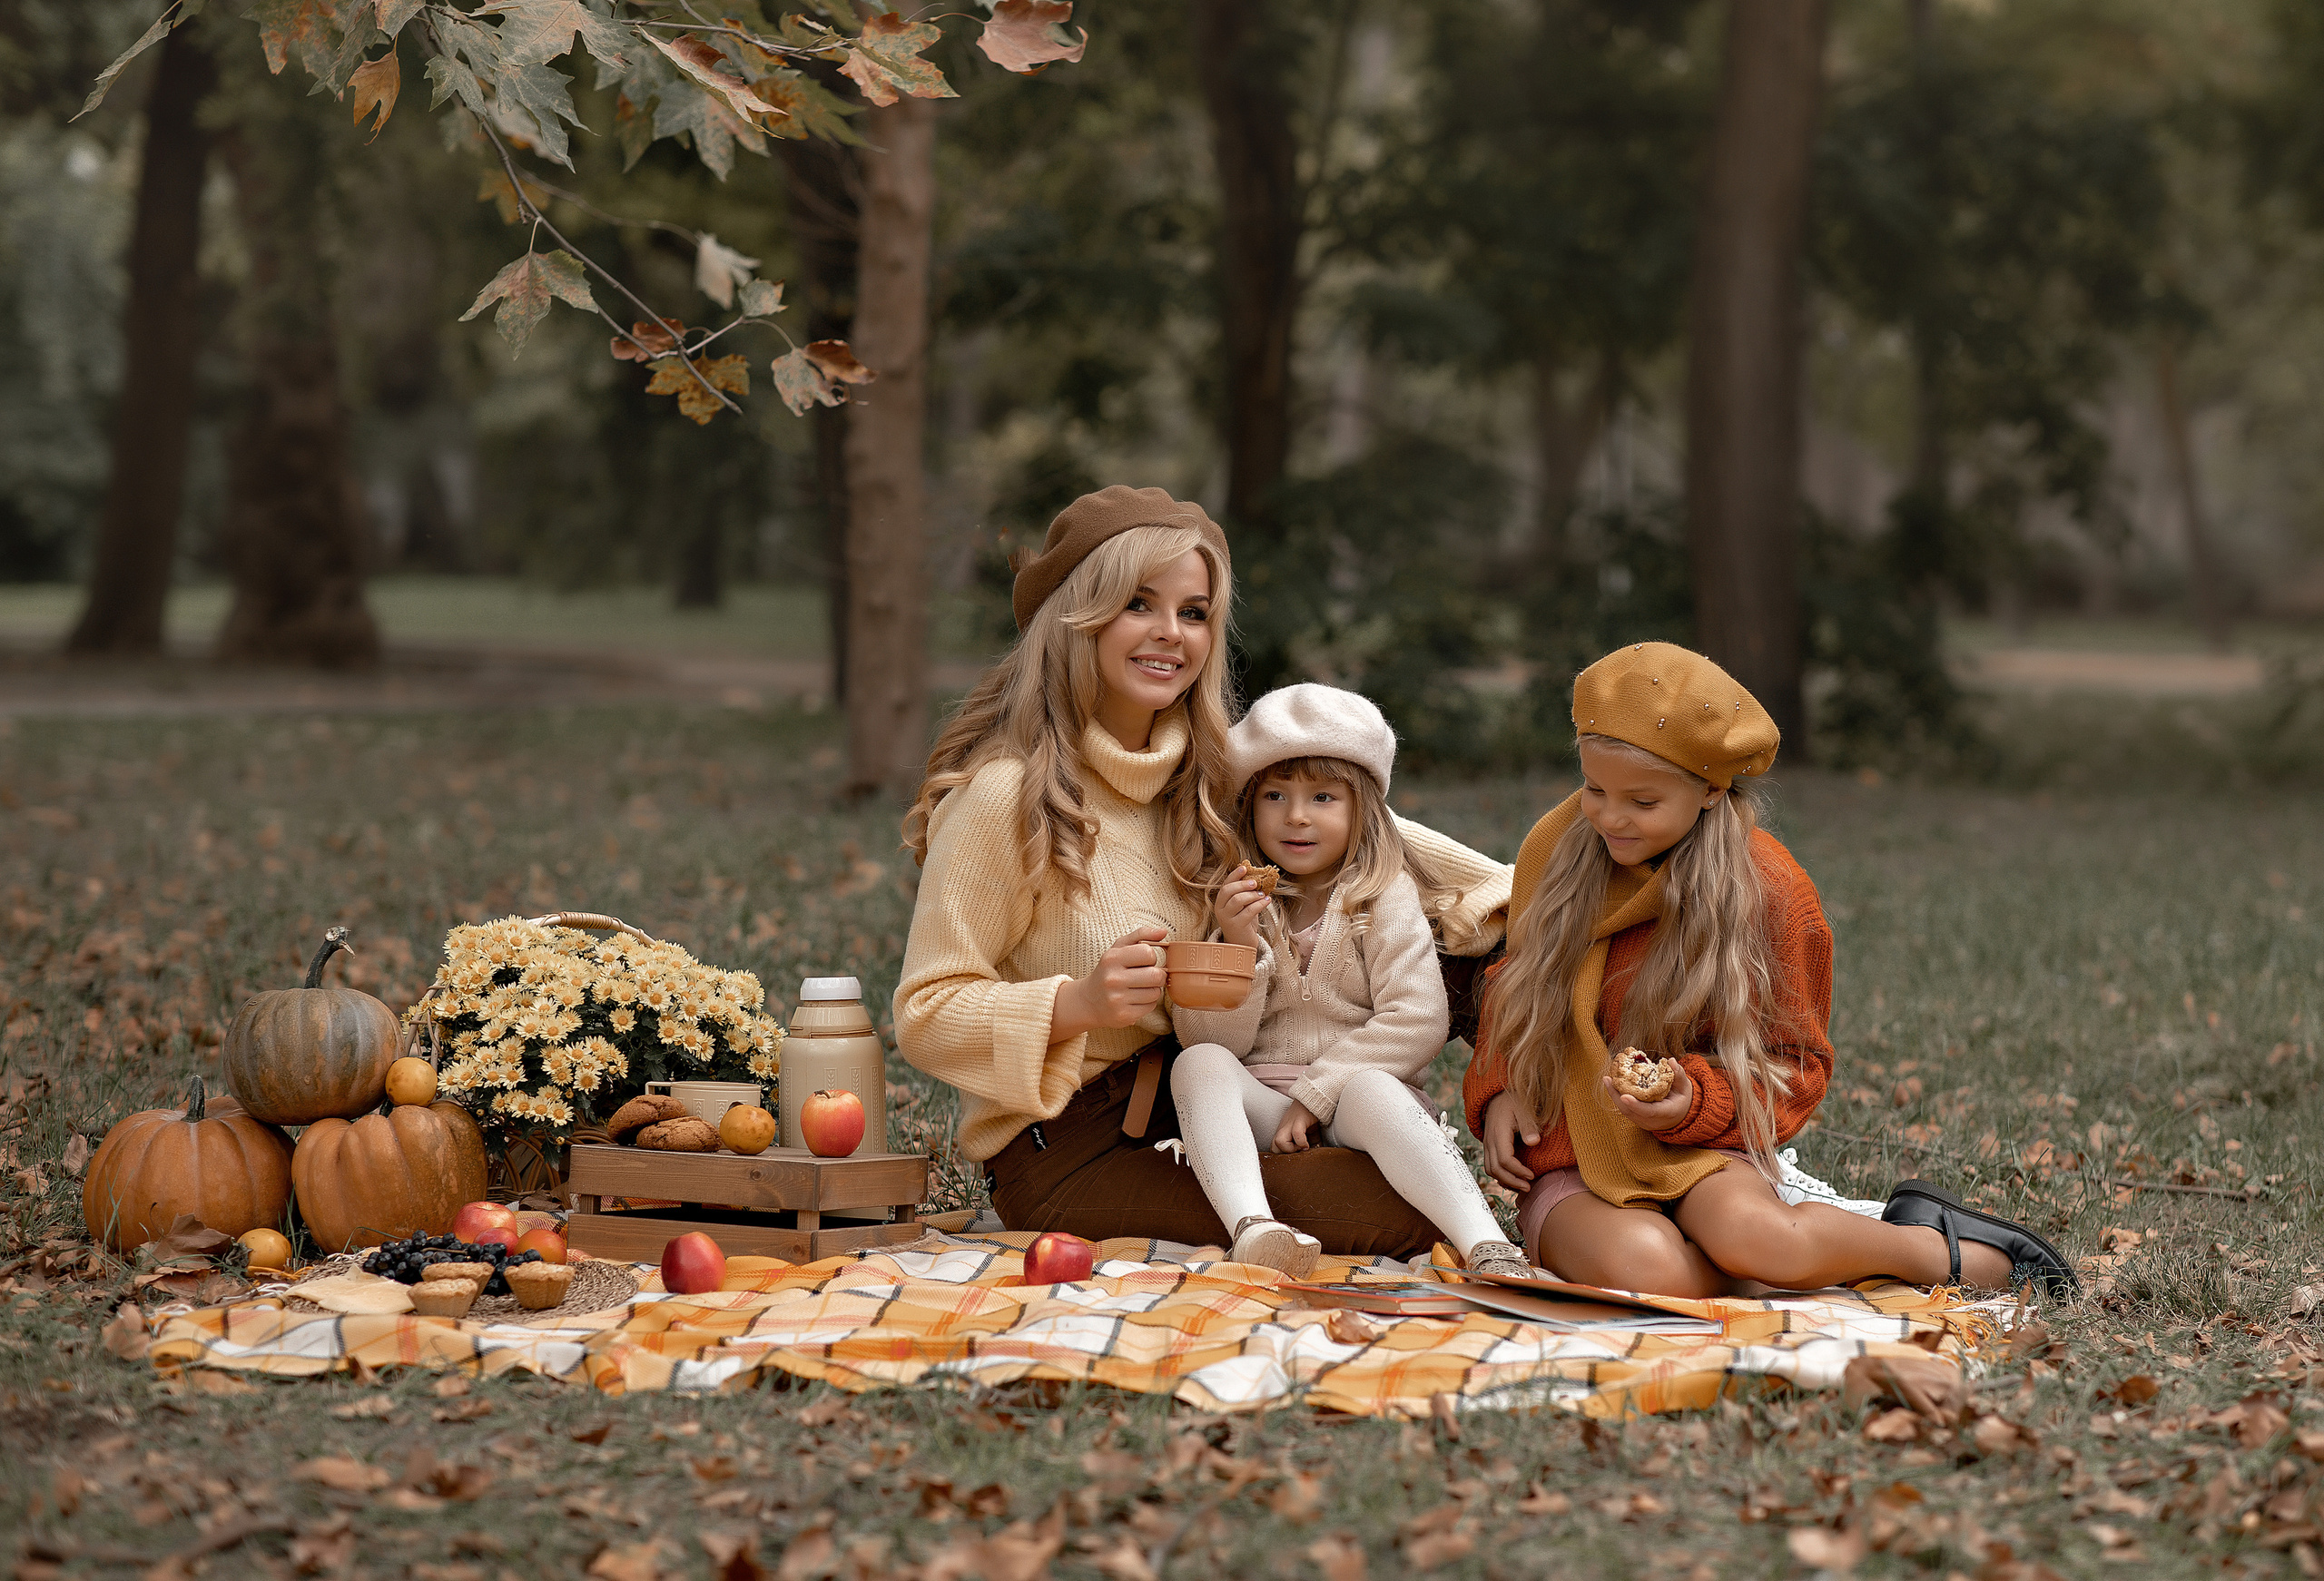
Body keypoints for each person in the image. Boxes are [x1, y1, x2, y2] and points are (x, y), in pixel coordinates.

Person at [896, 486, 1511, 1257]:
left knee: (1427, 1142)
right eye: (1139, 604)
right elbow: (925, 1012)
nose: (1171, 634)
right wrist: (1076, 1004)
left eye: (1194, 612)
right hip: (1070, 1148)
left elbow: (1413, 855)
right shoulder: (1008, 797)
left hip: (1214, 1103)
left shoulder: (1207, 781)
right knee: (1397, 1212)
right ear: (1078, 616)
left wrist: (1517, 1027)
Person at [1466, 642, 2076, 1299]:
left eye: (1642, 802)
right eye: (1593, 789)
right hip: (1571, 1155)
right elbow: (1515, 978)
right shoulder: (1555, 854)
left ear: (1709, 787)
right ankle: (1797, 1266)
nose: (1609, 816)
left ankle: (1926, 1247)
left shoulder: (1771, 891)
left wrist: (1691, 1101)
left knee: (1764, 1241)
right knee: (1652, 1273)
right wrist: (1501, 1086)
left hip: (1702, 1145)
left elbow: (1795, 1064)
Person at [1167, 684, 1534, 1278]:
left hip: (1360, 1106)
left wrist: (1320, 1092)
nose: (1297, 816)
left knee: (1372, 1089)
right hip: (1263, 1100)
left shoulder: (1381, 896)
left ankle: (1488, 1245)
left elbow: (1416, 1020)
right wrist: (1236, 945)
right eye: (1275, 796)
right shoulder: (1237, 901)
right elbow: (1212, 1039)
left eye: (1323, 796)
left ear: (1361, 807)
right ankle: (1254, 1229)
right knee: (1200, 1063)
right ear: (1249, 808)